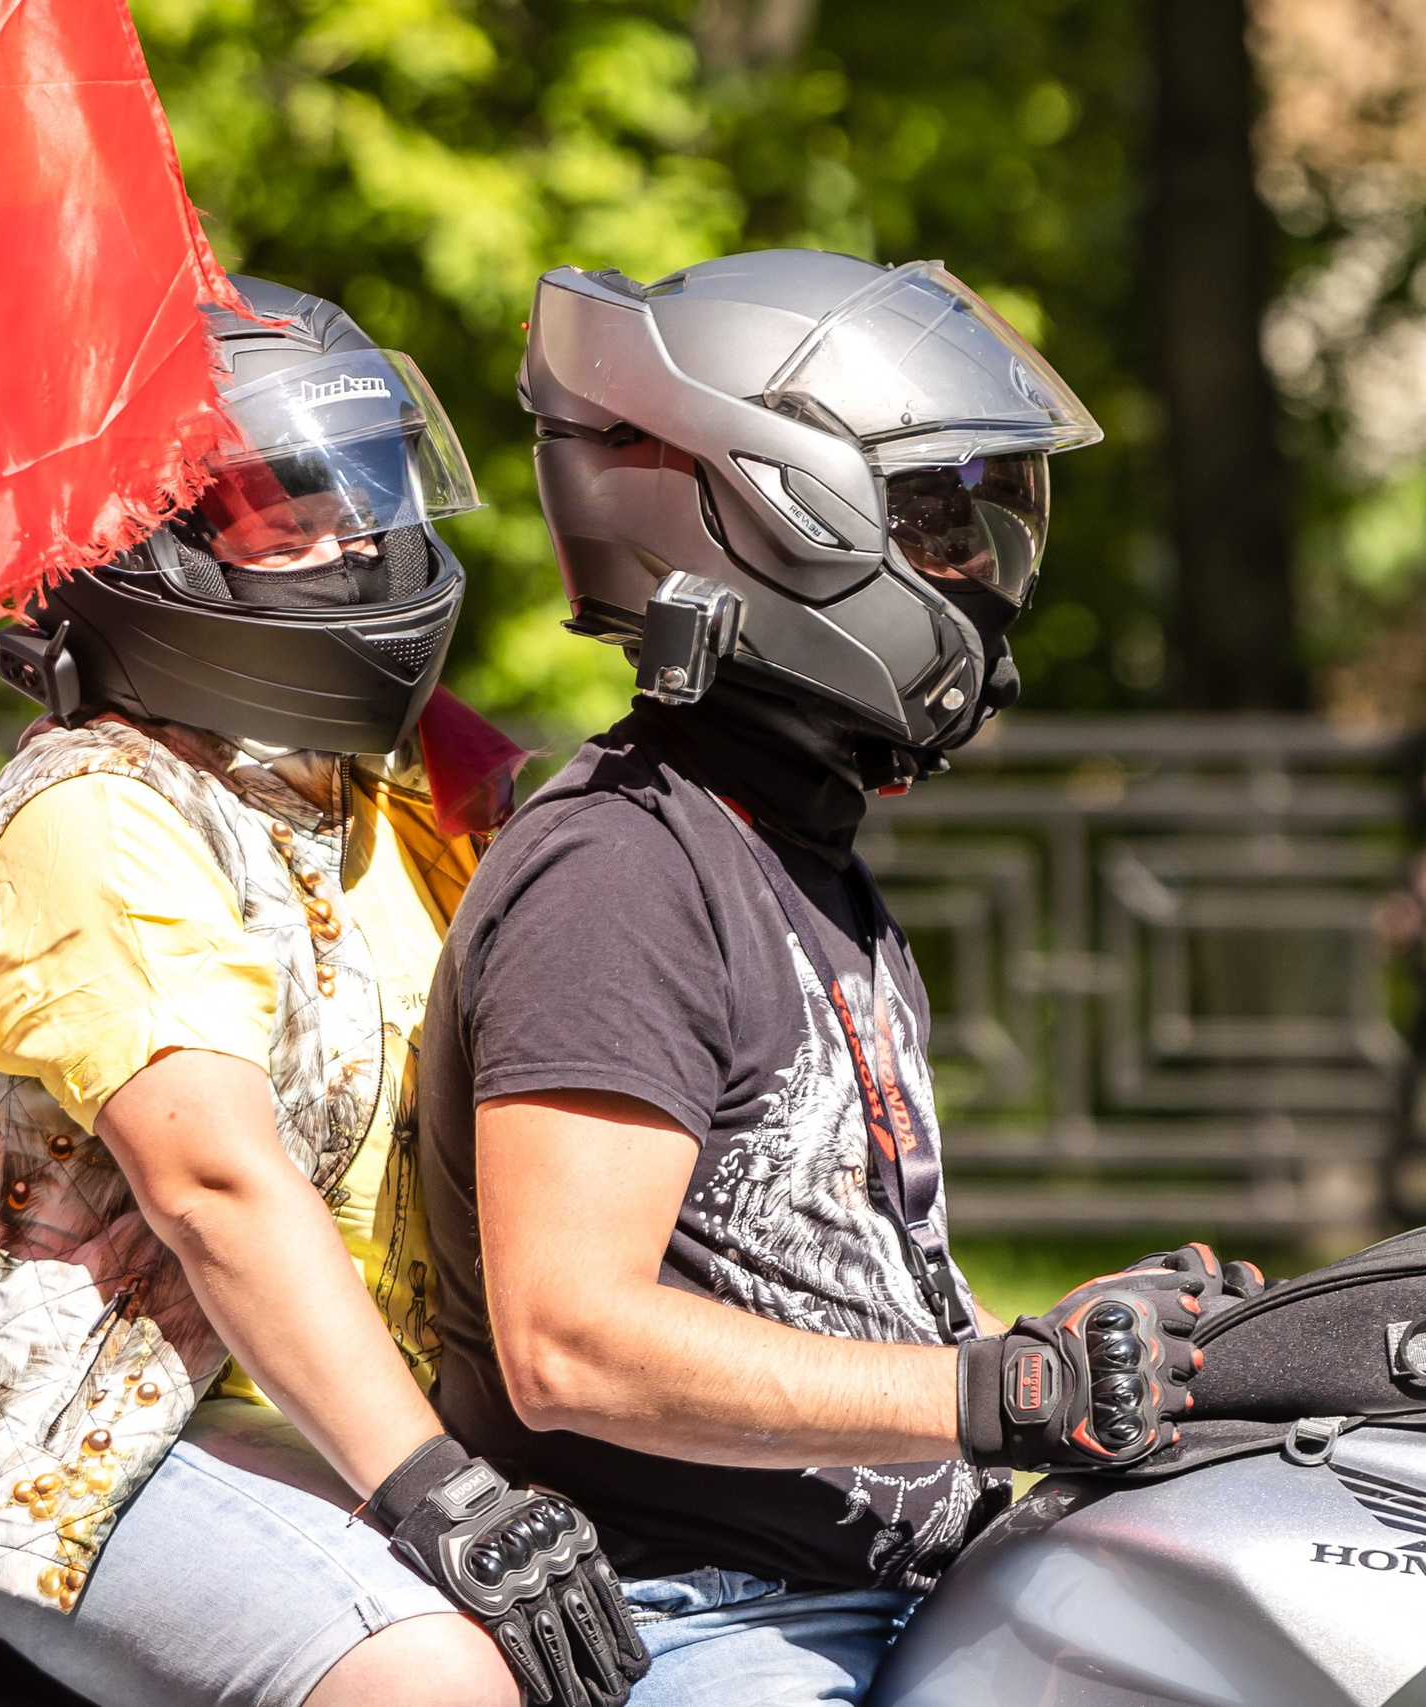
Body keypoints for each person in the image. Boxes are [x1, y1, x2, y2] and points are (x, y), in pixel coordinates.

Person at [418, 250, 1248, 1706]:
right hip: (705, 1623)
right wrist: (989, 1395)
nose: (981, 573)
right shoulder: (621, 871)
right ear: (774, 517)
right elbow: (571, 1339)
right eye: (935, 523)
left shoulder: (798, 859)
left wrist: (1072, 1354)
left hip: (888, 1590)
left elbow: (822, 1296)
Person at [0, 277, 646, 1707]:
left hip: (348, 1414)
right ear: (142, 556)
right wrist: (440, 1491)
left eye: (366, 503)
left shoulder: (391, 788)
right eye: (285, 524)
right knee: (438, 1683)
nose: (355, 546)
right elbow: (215, 1186)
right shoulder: (103, 811)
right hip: (96, 1436)